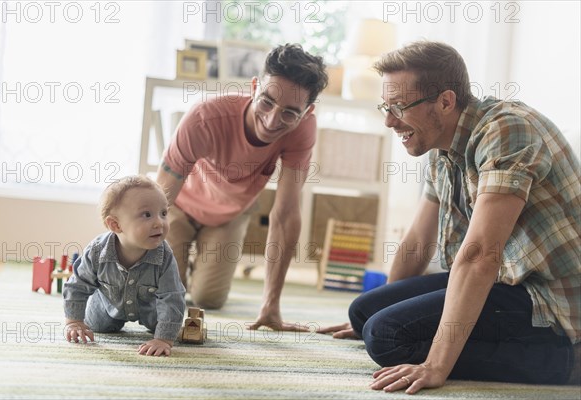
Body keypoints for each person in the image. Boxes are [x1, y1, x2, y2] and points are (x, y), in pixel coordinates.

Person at [319, 41, 580, 393]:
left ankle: (564, 363)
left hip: (551, 301)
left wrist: (436, 365)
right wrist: (386, 308)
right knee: (364, 313)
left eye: (398, 107)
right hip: (509, 283)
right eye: (385, 106)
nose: (388, 120)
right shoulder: (441, 144)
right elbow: (417, 239)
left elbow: (480, 256)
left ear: (444, 101)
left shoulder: (507, 132)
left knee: (386, 338)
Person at [156, 43, 328, 331]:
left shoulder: (303, 130)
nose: (273, 120)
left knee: (207, 299)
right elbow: (160, 197)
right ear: (253, 87)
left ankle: (193, 270)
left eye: (290, 113)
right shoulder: (205, 117)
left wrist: (271, 305)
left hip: (230, 215)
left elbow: (285, 214)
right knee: (166, 291)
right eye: (267, 101)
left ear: (307, 112)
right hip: (179, 207)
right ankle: (179, 269)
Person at [63, 175, 186, 357]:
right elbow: (77, 285)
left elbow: (172, 296)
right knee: (99, 326)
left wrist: (164, 339)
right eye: (147, 215)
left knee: (165, 326)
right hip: (106, 308)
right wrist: (73, 322)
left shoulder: (164, 255)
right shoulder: (97, 252)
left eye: (163, 213)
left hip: (149, 309)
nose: (159, 222)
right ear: (115, 224)